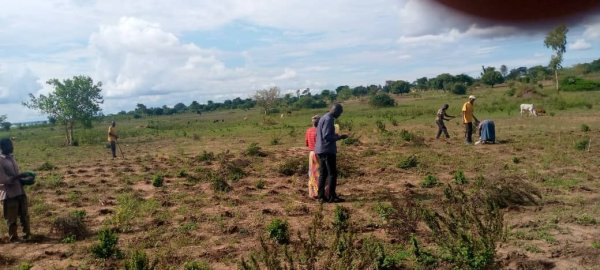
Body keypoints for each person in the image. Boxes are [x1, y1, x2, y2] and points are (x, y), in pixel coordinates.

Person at [315, 104, 348, 203]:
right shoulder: (329, 119)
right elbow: (327, 137)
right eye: (340, 112)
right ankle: (332, 196)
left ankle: (321, 197)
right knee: (332, 173)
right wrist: (339, 137)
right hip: (327, 150)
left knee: (323, 174)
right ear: (336, 111)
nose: (340, 115)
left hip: (320, 149)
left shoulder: (323, 118)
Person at [0, 138, 31, 242]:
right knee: (11, 218)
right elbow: (3, 180)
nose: (12, 147)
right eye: (9, 145)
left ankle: (27, 235)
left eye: (12, 145)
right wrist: (19, 176)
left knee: (24, 215)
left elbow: (15, 175)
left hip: (19, 191)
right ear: (2, 147)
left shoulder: (11, 157)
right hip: (8, 194)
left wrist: (24, 180)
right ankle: (14, 238)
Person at [305, 115, 320, 199]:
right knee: (320, 173)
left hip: (311, 153)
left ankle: (312, 193)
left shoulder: (308, 130)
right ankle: (320, 192)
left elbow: (306, 143)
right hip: (319, 153)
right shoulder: (319, 131)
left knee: (312, 173)